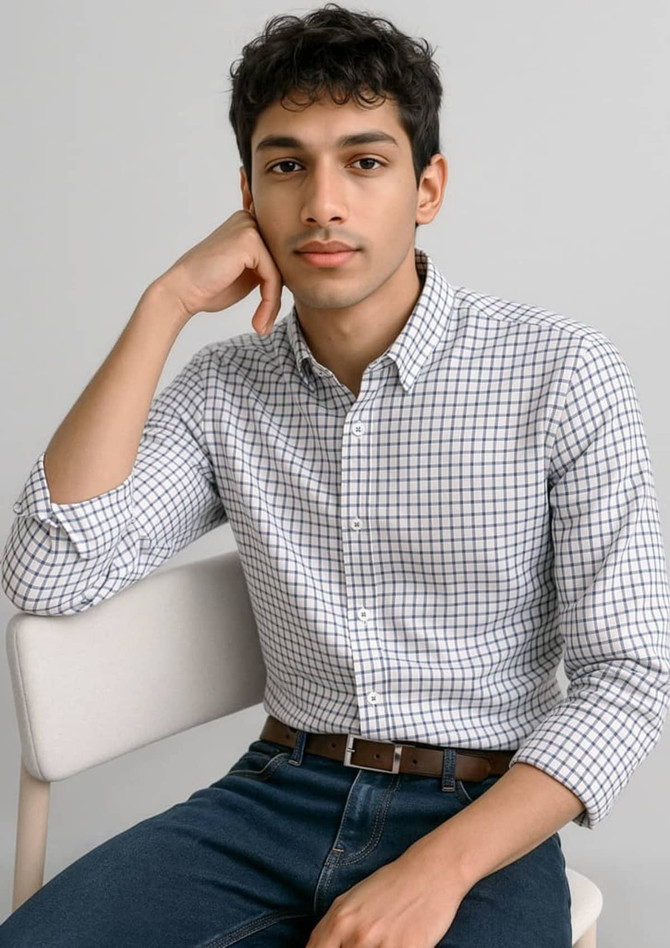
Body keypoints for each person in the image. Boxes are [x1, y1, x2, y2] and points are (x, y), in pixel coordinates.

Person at [1, 3, 668, 946]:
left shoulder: (559, 372)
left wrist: (435, 872)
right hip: (273, 800)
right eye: (286, 166)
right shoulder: (226, 386)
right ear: (248, 196)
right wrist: (165, 305)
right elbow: (48, 570)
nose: (322, 202)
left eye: (364, 161)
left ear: (426, 186)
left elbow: (629, 675)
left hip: (475, 816)